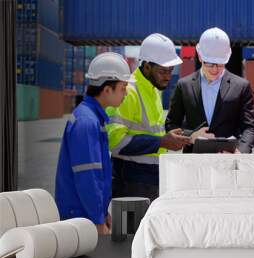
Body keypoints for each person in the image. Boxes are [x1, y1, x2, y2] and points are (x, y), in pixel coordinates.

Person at [106, 33, 191, 202]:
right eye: (163, 71)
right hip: (129, 183)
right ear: (146, 66)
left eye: (170, 70)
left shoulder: (153, 90)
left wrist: (170, 138)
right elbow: (114, 141)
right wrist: (161, 142)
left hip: (149, 180)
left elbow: (152, 132)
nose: (168, 76)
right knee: (129, 229)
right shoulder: (129, 92)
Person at [55, 52, 131, 234]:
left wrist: (103, 213)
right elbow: (88, 177)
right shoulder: (87, 123)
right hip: (81, 220)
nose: (126, 93)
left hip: (86, 215)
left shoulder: (92, 118)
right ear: (107, 89)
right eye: (123, 87)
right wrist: (97, 220)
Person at [165, 27, 254, 153]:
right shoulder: (183, 85)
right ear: (200, 56)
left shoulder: (241, 86)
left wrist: (240, 152)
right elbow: (171, 125)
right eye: (210, 64)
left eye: (220, 64)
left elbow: (250, 128)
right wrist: (191, 136)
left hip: (228, 161)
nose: (215, 69)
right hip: (193, 162)